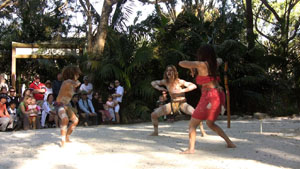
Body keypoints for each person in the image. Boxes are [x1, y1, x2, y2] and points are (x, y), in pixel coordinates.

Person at [179, 44, 236, 154]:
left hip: (209, 97)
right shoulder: (214, 63)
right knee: (210, 123)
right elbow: (220, 59)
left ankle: (191, 149)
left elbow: (181, 63)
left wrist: (193, 65)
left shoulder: (201, 64)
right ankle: (229, 143)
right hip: (217, 95)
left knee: (192, 124)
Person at [150, 65, 207, 136]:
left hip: (182, 103)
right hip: (172, 104)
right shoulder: (165, 82)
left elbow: (193, 86)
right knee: (153, 115)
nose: (169, 72)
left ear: (174, 72)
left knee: (195, 114)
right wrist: (159, 88)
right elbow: (153, 83)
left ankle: (203, 131)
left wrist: (182, 90)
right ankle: (155, 132)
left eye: (171, 70)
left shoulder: (179, 81)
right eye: (167, 71)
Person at [55, 66, 81, 147]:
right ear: (73, 74)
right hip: (60, 104)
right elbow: (77, 83)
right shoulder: (67, 82)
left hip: (67, 105)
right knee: (65, 119)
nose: (78, 76)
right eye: (77, 74)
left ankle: (67, 137)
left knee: (75, 121)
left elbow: (77, 85)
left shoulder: (72, 83)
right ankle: (63, 141)